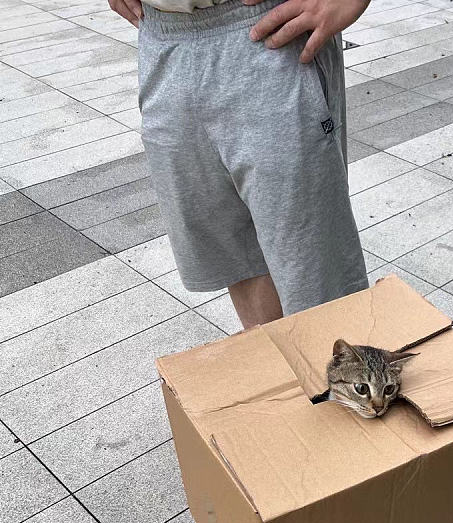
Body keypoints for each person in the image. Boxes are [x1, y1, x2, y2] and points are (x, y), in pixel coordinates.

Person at [109, 0, 370, 328]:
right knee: (240, 259)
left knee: (318, 285)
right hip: (163, 37)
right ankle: (282, 377)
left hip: (270, 31)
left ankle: (339, 379)